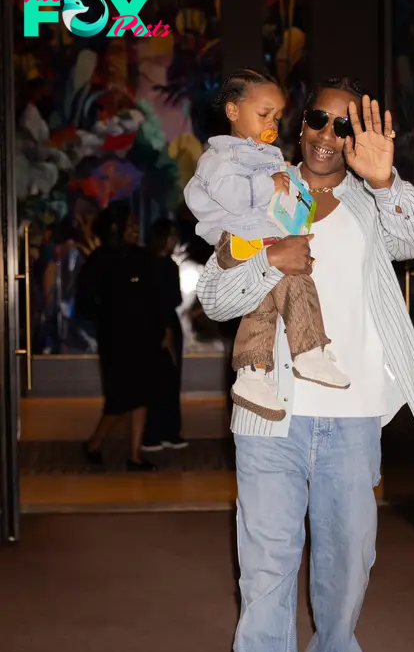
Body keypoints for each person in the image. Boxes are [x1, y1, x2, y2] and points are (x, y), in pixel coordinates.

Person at [197, 76, 414, 652]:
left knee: (349, 559)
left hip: (354, 412)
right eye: (318, 120)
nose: (330, 134)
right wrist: (271, 259)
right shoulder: (263, 192)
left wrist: (387, 175)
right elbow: (214, 296)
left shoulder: (373, 199)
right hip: (268, 416)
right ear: (297, 127)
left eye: (344, 124)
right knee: (265, 578)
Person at [184, 68, 350, 424]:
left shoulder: (265, 154)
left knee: (263, 306)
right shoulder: (222, 157)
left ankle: (252, 374)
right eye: (263, 115)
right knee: (294, 278)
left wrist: (287, 182)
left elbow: (275, 194)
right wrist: (269, 184)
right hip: (241, 242)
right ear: (233, 111)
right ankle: (308, 349)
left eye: (276, 117)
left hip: (258, 239)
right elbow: (230, 194)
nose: (271, 123)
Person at [77, 201, 165, 472]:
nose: (136, 229)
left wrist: (160, 332)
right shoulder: (99, 260)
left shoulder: (143, 257)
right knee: (118, 400)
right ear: (115, 227)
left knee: (142, 396)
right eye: (130, 224)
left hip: (144, 338)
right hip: (116, 341)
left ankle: (134, 455)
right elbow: (85, 304)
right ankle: (94, 443)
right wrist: (110, 311)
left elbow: (155, 298)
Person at [140, 219, 189, 452]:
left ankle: (154, 433)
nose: (174, 240)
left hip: (150, 326)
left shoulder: (146, 264)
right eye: (170, 236)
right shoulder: (168, 266)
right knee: (168, 379)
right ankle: (168, 431)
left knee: (153, 380)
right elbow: (173, 300)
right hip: (166, 324)